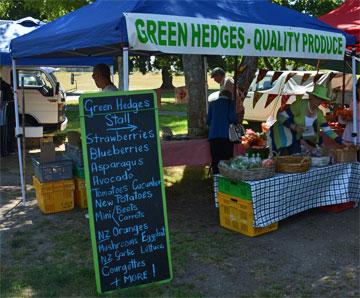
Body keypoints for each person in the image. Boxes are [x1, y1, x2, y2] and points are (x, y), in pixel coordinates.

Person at [270, 84, 343, 155]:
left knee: (296, 157)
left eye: (321, 99)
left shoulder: (319, 113)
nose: (319, 101)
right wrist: (294, 127)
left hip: (296, 137)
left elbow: (327, 130)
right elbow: (281, 116)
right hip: (281, 132)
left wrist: (341, 141)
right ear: (311, 97)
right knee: (281, 158)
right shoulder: (299, 105)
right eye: (317, 98)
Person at [206, 89, 237, 174]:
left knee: (215, 159)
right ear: (229, 97)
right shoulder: (230, 104)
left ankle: (216, 179)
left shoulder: (212, 103)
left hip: (213, 135)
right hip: (226, 135)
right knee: (227, 159)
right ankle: (226, 177)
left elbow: (208, 120)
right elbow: (232, 118)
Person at [342, 78, 360, 145]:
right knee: (350, 153)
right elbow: (348, 117)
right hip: (350, 133)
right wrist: (344, 116)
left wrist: (353, 117)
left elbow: (355, 116)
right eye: (359, 88)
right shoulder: (353, 102)